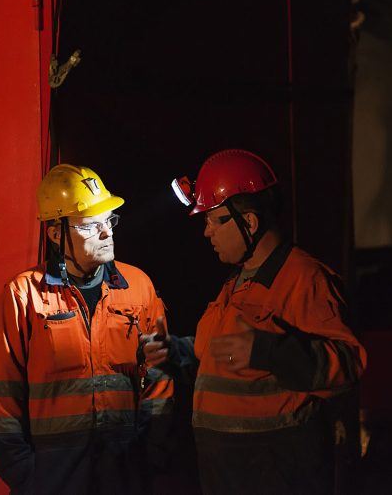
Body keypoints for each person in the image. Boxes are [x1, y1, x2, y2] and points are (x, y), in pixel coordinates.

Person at [145, 149, 366, 495]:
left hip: (280, 474)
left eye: (214, 220)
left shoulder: (304, 279)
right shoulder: (236, 283)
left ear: (248, 222)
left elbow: (349, 364)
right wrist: (177, 352)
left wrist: (270, 351)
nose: (206, 233)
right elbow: (223, 355)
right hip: (228, 475)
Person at [0, 164, 173, 494]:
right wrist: (28, 477)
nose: (107, 233)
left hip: (125, 476)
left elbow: (160, 378)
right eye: (91, 225)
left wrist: (150, 460)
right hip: (54, 480)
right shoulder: (24, 296)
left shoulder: (138, 287)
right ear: (56, 233)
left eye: (109, 221)